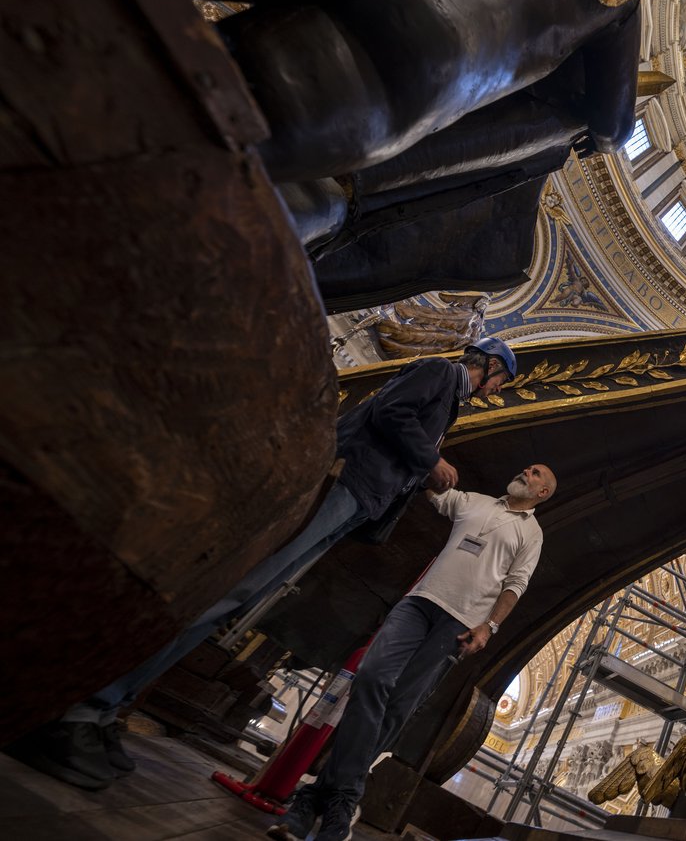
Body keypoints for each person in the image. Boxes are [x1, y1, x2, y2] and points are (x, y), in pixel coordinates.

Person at [11, 337, 519, 790]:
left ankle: (107, 709)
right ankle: (86, 704)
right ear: (490, 366)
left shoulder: (449, 401)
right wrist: (432, 462)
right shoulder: (439, 373)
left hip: (358, 502)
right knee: (228, 591)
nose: (496, 392)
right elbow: (391, 413)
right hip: (344, 487)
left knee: (241, 599)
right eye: (502, 381)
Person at [268, 464, 556, 841]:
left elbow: (516, 584)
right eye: (528, 468)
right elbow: (434, 490)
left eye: (535, 474)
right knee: (371, 676)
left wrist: (489, 626)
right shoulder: (475, 502)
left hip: (459, 623)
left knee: (399, 707)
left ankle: (312, 801)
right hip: (420, 603)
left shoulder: (531, 533)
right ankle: (345, 796)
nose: (525, 471)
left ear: (542, 493)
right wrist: (431, 460)